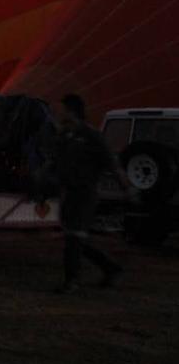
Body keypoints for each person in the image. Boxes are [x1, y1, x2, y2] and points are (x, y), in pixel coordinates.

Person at [53, 93, 135, 294]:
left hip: (85, 194)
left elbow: (112, 164)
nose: (58, 112)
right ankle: (111, 268)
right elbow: (55, 164)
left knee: (74, 236)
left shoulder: (92, 136)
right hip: (69, 194)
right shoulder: (64, 136)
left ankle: (71, 281)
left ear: (71, 111)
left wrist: (128, 189)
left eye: (61, 109)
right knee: (75, 237)